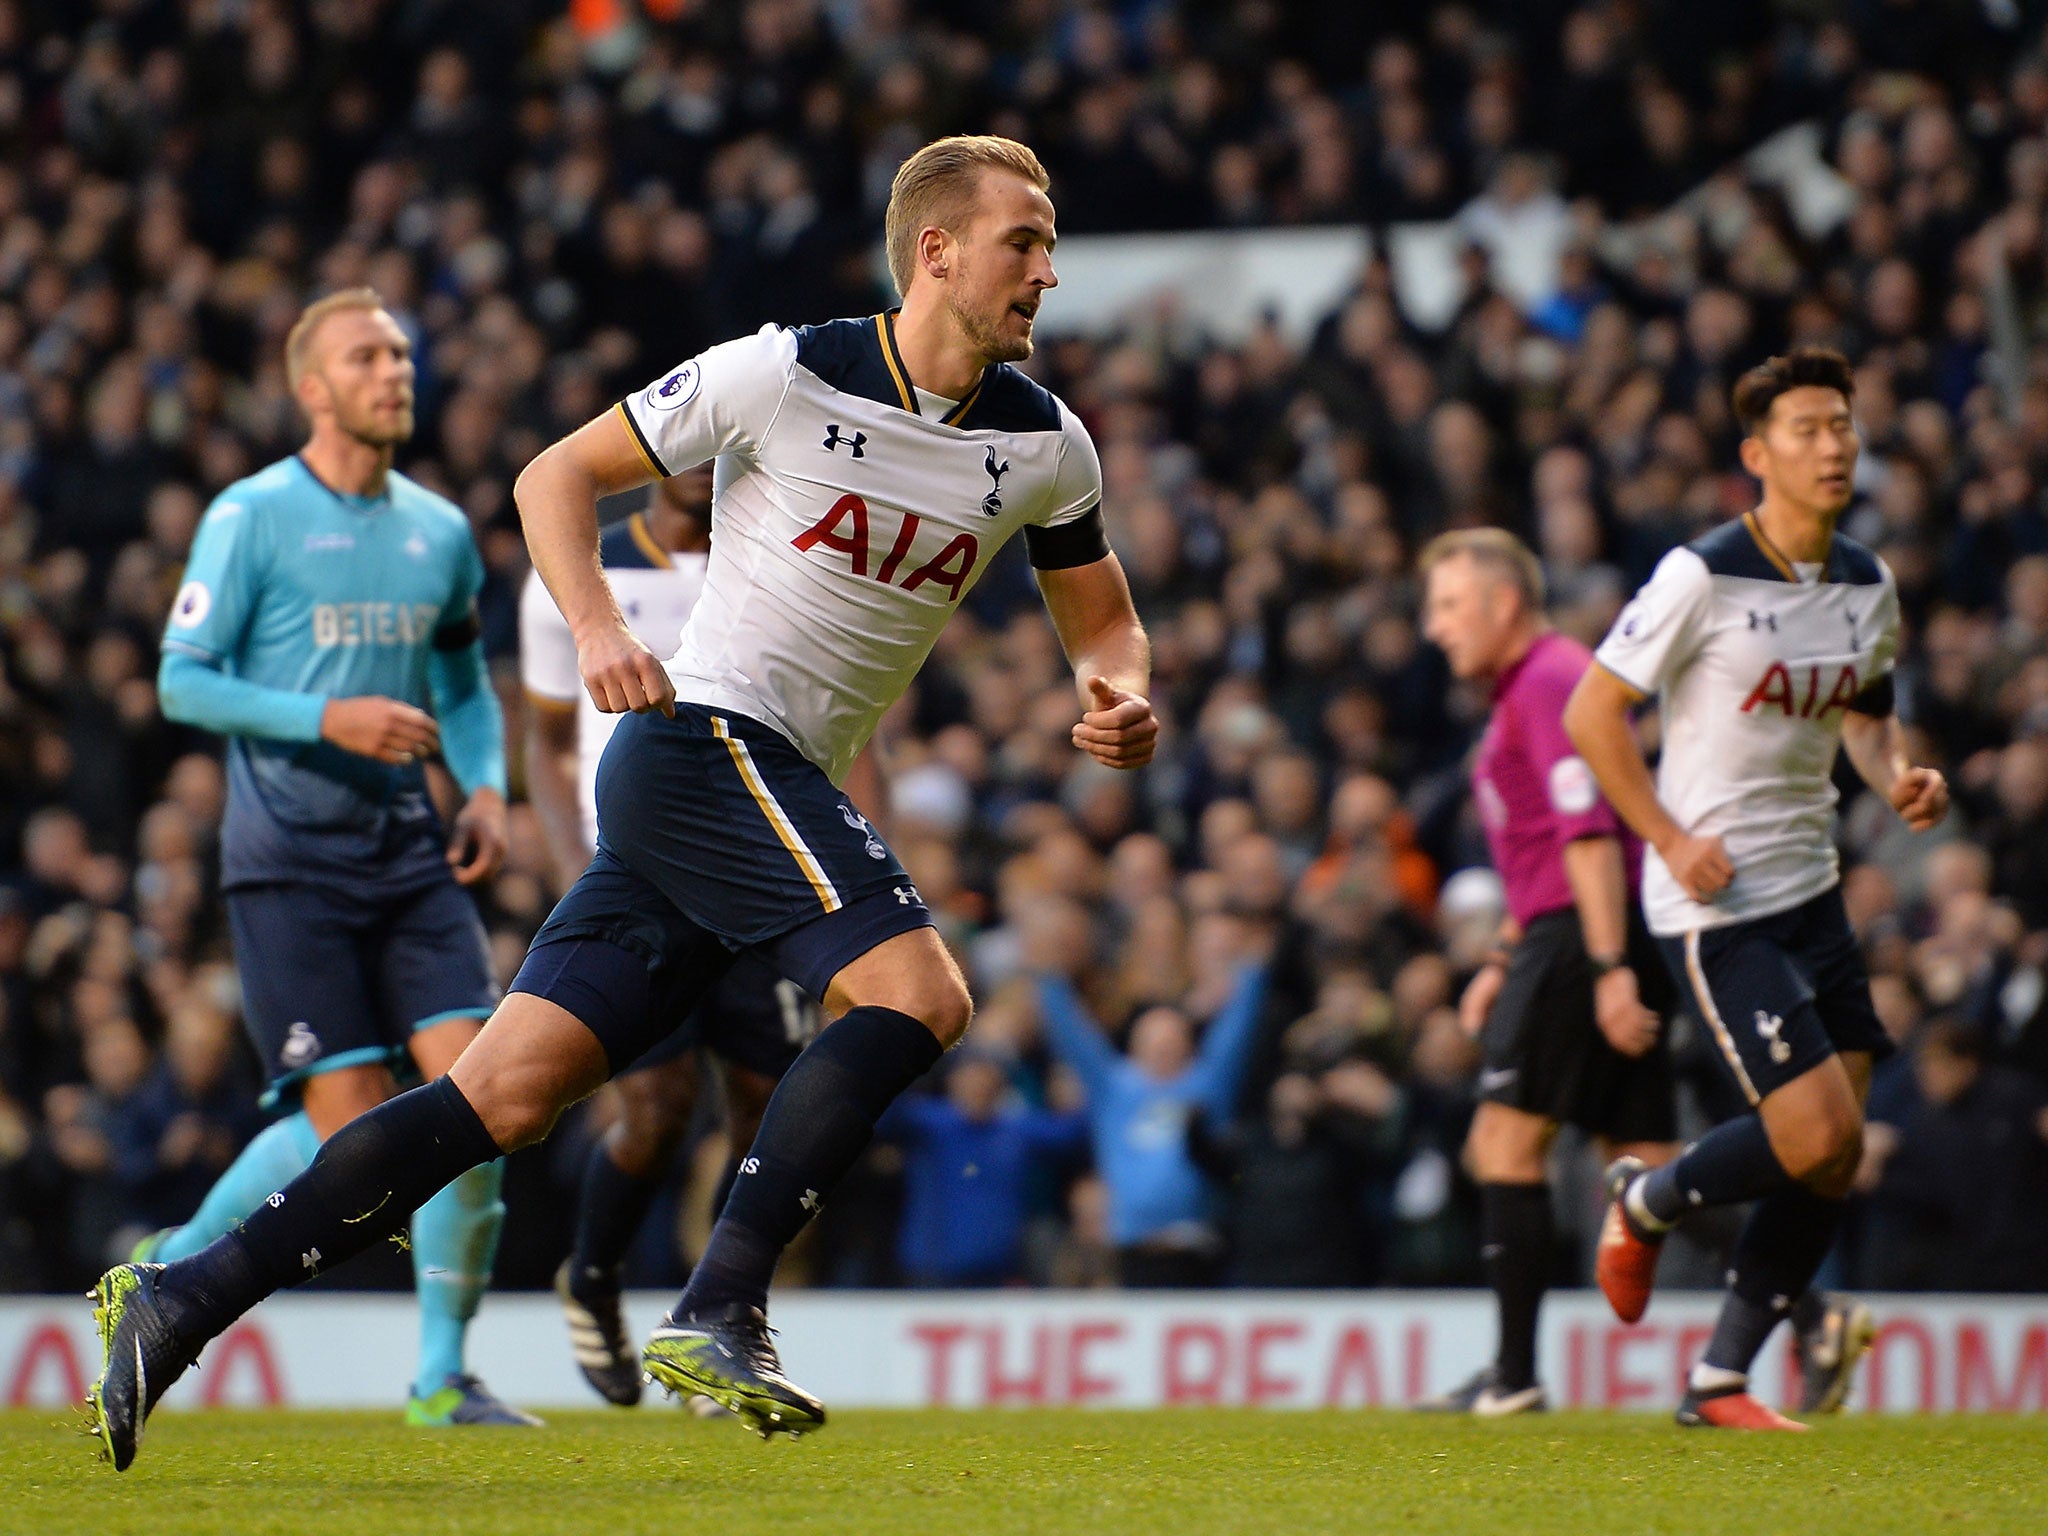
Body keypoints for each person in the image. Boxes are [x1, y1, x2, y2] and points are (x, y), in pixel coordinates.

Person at [87, 134, 1157, 1467]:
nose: (1049, 273)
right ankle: (723, 1304)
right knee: (922, 993)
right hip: (701, 744)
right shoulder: (785, 371)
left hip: (756, 783)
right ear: (938, 252)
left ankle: (183, 1299)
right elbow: (552, 476)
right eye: (1026, 241)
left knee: (501, 1101)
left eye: (1051, 246)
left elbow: (1100, 616)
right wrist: (594, 625)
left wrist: (1117, 687)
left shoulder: (1045, 446)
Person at [137, 290, 535, 1428]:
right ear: (311, 386)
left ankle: (441, 1378)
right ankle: (167, 1267)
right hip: (288, 862)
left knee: (487, 1100)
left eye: (402, 355)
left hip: (410, 856)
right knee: (345, 1127)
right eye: (366, 357)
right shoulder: (251, 516)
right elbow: (182, 678)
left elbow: (459, 682)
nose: (393, 372)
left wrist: (491, 786)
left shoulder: (437, 531)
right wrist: (332, 721)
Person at [1565, 347, 1948, 1430]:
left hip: (1811, 888)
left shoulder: (1864, 584)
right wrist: (1668, 837)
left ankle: (1718, 1380)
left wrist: (1898, 776)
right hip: (1711, 899)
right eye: (1806, 430)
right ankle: (1642, 1200)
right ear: (1755, 456)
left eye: (1841, 426)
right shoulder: (1701, 573)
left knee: (1831, 1158)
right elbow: (1592, 715)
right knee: (1813, 1128)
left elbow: (1866, 719)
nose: (1831, 446)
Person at [519, 465, 821, 1408]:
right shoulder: (582, 578)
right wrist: (577, 865)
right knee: (652, 1111)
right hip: (641, 876)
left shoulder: (774, 570)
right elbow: (548, 737)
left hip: (758, 873)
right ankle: (597, 1277)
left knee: (767, 1105)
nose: (702, 460)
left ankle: (709, 1316)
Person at [1410, 528, 1678, 1417]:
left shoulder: (1555, 679)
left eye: (1450, 606)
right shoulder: (1530, 687)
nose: (1435, 627)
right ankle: (1810, 1310)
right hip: (1572, 929)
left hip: (1584, 933)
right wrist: (1500, 955)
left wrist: (1603, 967)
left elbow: (1589, 835)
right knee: (1651, 1165)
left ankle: (1515, 1377)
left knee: (1502, 1146)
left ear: (1504, 603)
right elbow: (1540, 846)